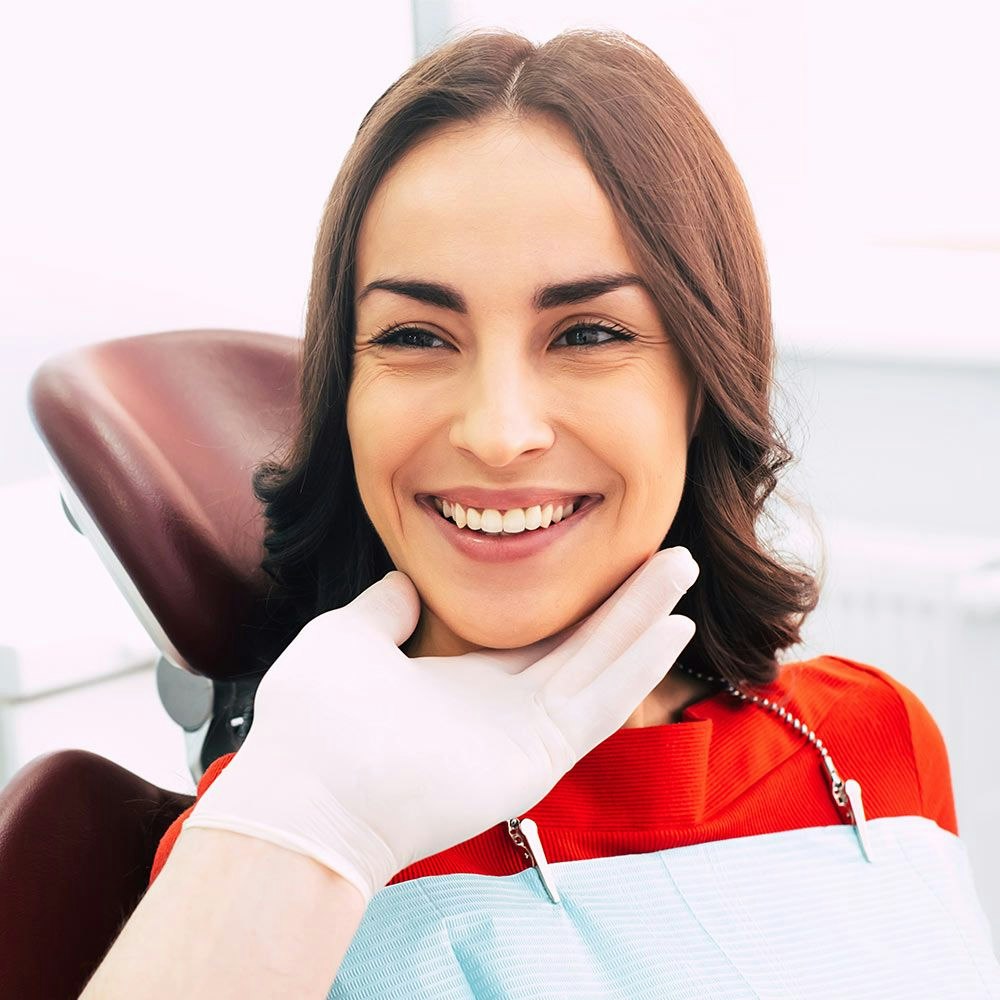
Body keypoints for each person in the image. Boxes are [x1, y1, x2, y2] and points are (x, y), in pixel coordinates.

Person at [80, 26, 999, 1000]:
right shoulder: (277, 837)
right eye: (417, 335)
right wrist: (314, 823)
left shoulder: (871, 738)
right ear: (346, 393)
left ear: (701, 377)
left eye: (589, 332)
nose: (498, 430)